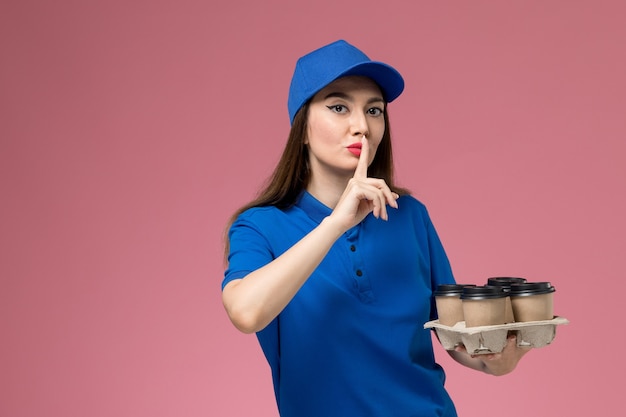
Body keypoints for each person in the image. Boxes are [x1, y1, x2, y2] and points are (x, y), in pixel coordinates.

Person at [221, 39, 530, 417]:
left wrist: (498, 359)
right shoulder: (260, 226)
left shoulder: (411, 216)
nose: (361, 126)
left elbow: (457, 339)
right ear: (301, 128)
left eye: (374, 110)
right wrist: (336, 224)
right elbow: (246, 313)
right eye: (339, 107)